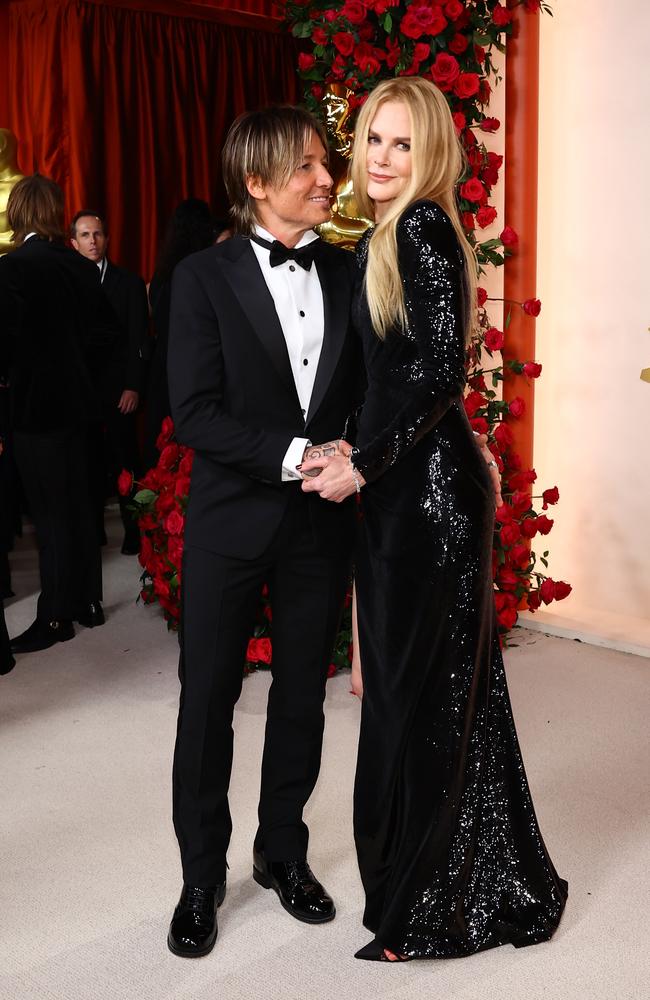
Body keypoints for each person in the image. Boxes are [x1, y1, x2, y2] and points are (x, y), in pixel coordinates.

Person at [301, 77, 568, 961]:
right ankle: (466, 882)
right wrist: (355, 451)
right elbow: (392, 379)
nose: (380, 159)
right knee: (439, 697)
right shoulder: (390, 231)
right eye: (373, 140)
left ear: (432, 155)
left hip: (426, 498)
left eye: (401, 145)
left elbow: (432, 377)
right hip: (411, 483)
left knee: (417, 704)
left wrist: (363, 464)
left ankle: (430, 907)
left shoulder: (418, 227)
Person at [165, 106, 362, 958]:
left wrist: (354, 447)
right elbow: (195, 413)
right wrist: (295, 455)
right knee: (208, 701)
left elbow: (368, 388)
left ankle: (282, 852)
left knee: (301, 700)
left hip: (320, 524)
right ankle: (201, 875)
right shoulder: (202, 279)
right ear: (256, 183)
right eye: (308, 168)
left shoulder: (351, 271)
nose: (328, 179)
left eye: (328, 165)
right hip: (230, 521)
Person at [0, 175, 116, 653]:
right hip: (83, 410)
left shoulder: (13, 268)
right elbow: (106, 339)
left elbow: (5, 348)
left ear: (18, 212)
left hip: (35, 411)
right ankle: (88, 603)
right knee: (80, 508)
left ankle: (54, 619)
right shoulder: (81, 267)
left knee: (48, 519)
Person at [70, 211, 149, 554]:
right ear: (73, 243)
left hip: (120, 391)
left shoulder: (129, 282)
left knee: (125, 461)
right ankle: (94, 532)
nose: (92, 241)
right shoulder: (66, 284)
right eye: (85, 235)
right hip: (81, 393)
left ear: (106, 238)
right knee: (86, 463)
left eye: (97, 234)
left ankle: (133, 530)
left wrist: (133, 385)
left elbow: (140, 338)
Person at [144, 199, 228, 471]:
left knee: (166, 454)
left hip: (162, 369)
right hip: (196, 369)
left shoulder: (161, 275)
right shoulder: (201, 273)